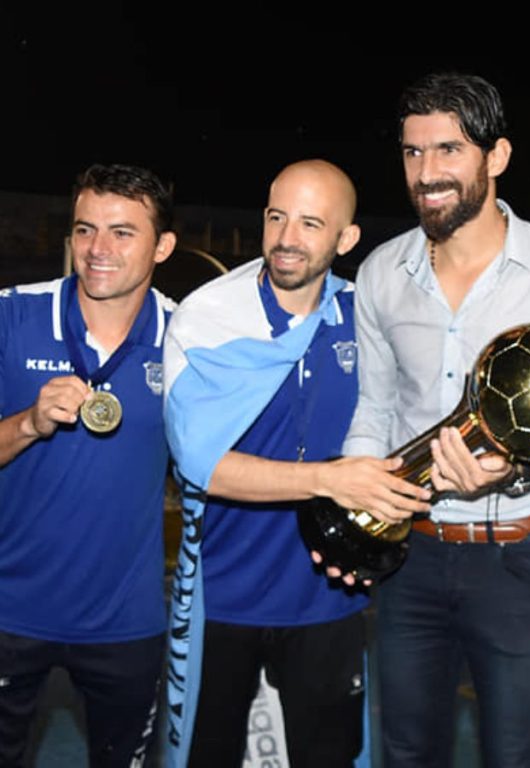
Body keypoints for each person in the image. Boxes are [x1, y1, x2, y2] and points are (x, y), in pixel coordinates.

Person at [340, 72, 530, 767]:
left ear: (498, 157)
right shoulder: (380, 273)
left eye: (449, 150)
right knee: (406, 752)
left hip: (521, 561)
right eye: (412, 152)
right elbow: (374, 408)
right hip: (411, 561)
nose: (427, 173)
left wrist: (515, 469)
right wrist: (364, 507)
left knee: (518, 756)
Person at [161, 159, 430, 768]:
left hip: (328, 597)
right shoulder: (208, 318)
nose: (287, 237)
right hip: (222, 597)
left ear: (346, 238)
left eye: (311, 223)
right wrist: (328, 479)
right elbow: (202, 467)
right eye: (277, 217)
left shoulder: (365, 319)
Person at [0, 164, 176, 766]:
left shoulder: (189, 341)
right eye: (85, 230)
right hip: (9, 611)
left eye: (123, 233)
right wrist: (28, 423)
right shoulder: (11, 318)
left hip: (125, 623)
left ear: (164, 246)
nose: (98, 250)